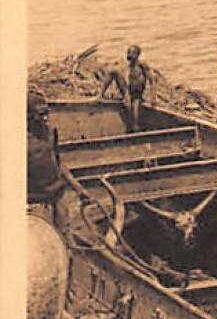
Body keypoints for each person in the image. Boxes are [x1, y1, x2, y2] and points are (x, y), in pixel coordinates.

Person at [27, 89, 90, 236]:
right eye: (40, 114)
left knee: (66, 239)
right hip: (36, 205)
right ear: (28, 116)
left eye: (46, 112)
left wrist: (78, 188)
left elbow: (58, 162)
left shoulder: (50, 132)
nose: (45, 118)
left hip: (58, 198)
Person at [100, 44, 155, 132]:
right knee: (113, 72)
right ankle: (100, 95)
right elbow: (125, 80)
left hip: (137, 95)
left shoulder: (142, 65)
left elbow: (152, 80)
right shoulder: (127, 66)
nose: (129, 55)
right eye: (128, 52)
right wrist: (123, 94)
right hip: (128, 92)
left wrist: (153, 97)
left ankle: (135, 132)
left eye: (132, 53)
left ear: (137, 55)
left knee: (135, 120)